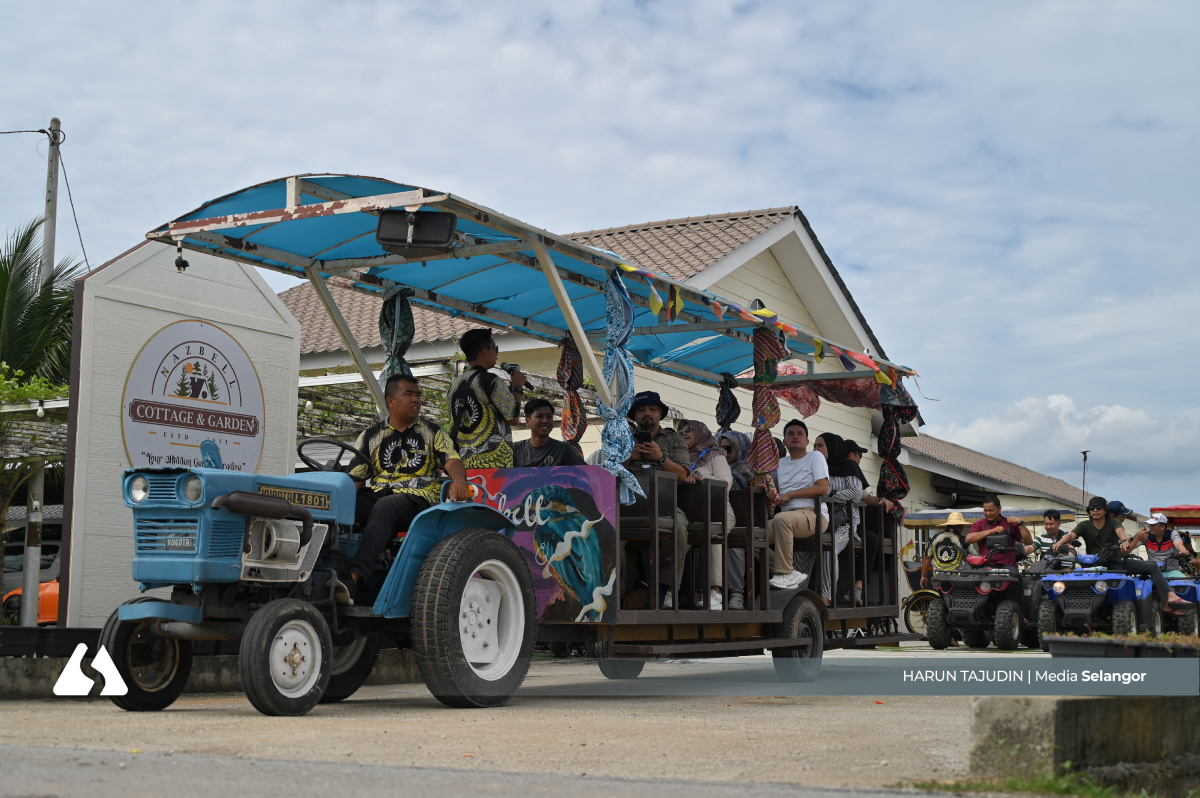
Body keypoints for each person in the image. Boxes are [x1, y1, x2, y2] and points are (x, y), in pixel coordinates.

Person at [337, 374, 471, 604]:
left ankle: (352, 578)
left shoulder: (432, 432)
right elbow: (355, 479)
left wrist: (459, 479)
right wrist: (337, 501)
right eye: (409, 394)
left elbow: (452, 460)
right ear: (390, 401)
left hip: (418, 498)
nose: (416, 399)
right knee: (339, 507)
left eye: (418, 395)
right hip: (380, 493)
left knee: (386, 506)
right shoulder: (370, 436)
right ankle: (317, 569)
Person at [1054, 497, 1191, 615]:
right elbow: (1072, 535)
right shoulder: (1084, 525)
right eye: (1092, 508)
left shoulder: (1114, 522)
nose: (1095, 511)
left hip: (1115, 562)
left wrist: (1124, 540)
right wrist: (1060, 542)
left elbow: (1120, 532)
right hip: (1095, 565)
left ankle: (1167, 601)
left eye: (1098, 508)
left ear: (1105, 511)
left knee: (1152, 566)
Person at [623, 391, 691, 607]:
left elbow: (683, 475)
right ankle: (613, 590)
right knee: (604, 528)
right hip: (626, 502)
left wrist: (660, 458)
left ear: (660, 413)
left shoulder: (674, 438)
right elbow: (606, 472)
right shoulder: (622, 437)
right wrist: (628, 458)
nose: (647, 413)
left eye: (652, 409)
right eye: (641, 410)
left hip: (664, 502)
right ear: (634, 415)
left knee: (678, 527)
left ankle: (666, 589)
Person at [447, 328, 528, 468]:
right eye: (495, 348)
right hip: (493, 464)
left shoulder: (455, 384)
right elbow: (513, 418)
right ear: (485, 352)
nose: (496, 353)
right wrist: (517, 387)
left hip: (465, 465)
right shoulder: (490, 380)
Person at [680, 419, 738, 611]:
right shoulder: (679, 458)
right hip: (691, 516)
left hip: (720, 513)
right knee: (676, 539)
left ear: (700, 432)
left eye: (689, 429)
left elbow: (725, 483)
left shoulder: (715, 455)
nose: (684, 433)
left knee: (712, 532)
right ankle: (670, 591)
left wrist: (700, 477)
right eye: (681, 430)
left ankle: (715, 593)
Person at [811, 433, 871, 606]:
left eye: (820, 445)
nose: (816, 449)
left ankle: (826, 597)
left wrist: (829, 496)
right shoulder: (816, 467)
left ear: (832, 447)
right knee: (802, 549)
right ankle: (799, 592)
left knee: (829, 549)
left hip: (844, 523)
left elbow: (856, 493)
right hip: (819, 520)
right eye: (814, 446)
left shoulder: (849, 467)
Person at [768, 419, 828, 590]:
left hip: (814, 514)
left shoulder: (815, 456)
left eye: (800, 434)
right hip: (787, 516)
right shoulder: (780, 464)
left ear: (807, 441)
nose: (795, 436)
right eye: (791, 434)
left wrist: (790, 494)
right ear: (784, 441)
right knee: (752, 536)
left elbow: (823, 488)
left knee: (782, 519)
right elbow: (773, 493)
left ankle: (785, 573)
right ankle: (790, 571)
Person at [967, 495, 1033, 613]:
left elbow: (1028, 541)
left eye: (991, 510)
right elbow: (969, 538)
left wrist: (1020, 523)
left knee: (1015, 578)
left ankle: (1019, 613)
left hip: (1007, 566)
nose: (988, 513)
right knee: (972, 580)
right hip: (986, 565)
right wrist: (991, 531)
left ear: (999, 509)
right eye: (985, 510)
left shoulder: (1010, 524)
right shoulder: (980, 524)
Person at [513, 398, 586, 467]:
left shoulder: (564, 449)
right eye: (539, 416)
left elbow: (586, 472)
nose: (545, 421)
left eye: (549, 417)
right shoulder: (515, 449)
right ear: (528, 421)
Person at [1129, 512, 1192, 578]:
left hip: (1171, 571)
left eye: (1153, 525)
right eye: (1150, 524)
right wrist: (1136, 538)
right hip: (1151, 570)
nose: (1150, 527)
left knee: (1185, 582)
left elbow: (1178, 543)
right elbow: (1131, 547)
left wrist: (1182, 549)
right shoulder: (1146, 535)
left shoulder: (1172, 533)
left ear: (1162, 527)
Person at [920, 511, 972, 589]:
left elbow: (927, 558)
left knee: (940, 594)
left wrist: (923, 576)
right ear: (960, 526)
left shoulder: (933, 538)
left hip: (938, 578)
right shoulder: (965, 540)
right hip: (957, 579)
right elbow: (974, 558)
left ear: (947, 525)